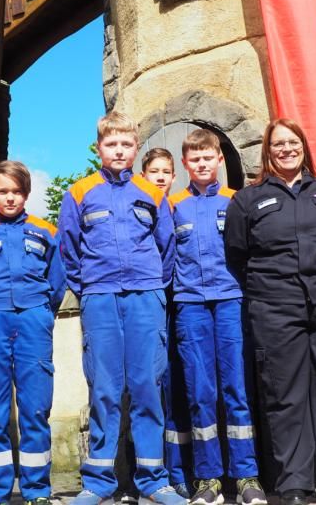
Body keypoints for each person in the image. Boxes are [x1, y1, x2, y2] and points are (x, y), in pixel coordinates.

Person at [223, 119, 316, 505]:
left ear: (303, 146)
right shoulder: (247, 200)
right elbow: (237, 254)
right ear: (267, 152)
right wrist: (271, 288)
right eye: (278, 144)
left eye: (293, 142)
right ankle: (294, 483)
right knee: (285, 395)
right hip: (275, 307)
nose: (286, 149)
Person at [58, 111, 182, 505]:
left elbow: (167, 247)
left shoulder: (152, 192)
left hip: (146, 297)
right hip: (100, 298)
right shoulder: (79, 193)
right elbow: (68, 250)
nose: (119, 150)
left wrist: (152, 284)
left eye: (126, 144)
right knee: (105, 390)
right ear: (99, 148)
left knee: (147, 386)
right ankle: (98, 482)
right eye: (111, 144)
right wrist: (90, 287)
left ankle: (153, 481)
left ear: (136, 148)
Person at [168, 130, 267, 505]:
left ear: (220, 159)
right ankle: (207, 479)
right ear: (185, 164)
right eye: (194, 159)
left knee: (236, 390)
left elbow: (250, 252)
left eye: (207, 156)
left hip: (229, 302)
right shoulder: (173, 206)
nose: (202, 163)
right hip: (191, 305)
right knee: (200, 393)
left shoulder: (236, 201)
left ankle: (246, 476)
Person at [0, 161, 66, 505]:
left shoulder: (46, 231)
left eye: (17, 192)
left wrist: (41, 314)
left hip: (34, 320)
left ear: (27, 193)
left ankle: (37, 491)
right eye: (3, 191)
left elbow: (57, 283)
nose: (10, 198)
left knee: (35, 408)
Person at [141, 148, 192, 498]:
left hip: (181, 306)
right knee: (148, 390)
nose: (160, 177)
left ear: (174, 177)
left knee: (178, 388)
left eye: (166, 171)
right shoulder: (140, 209)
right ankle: (147, 472)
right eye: (154, 171)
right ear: (143, 175)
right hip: (150, 305)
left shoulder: (180, 207)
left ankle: (180, 472)